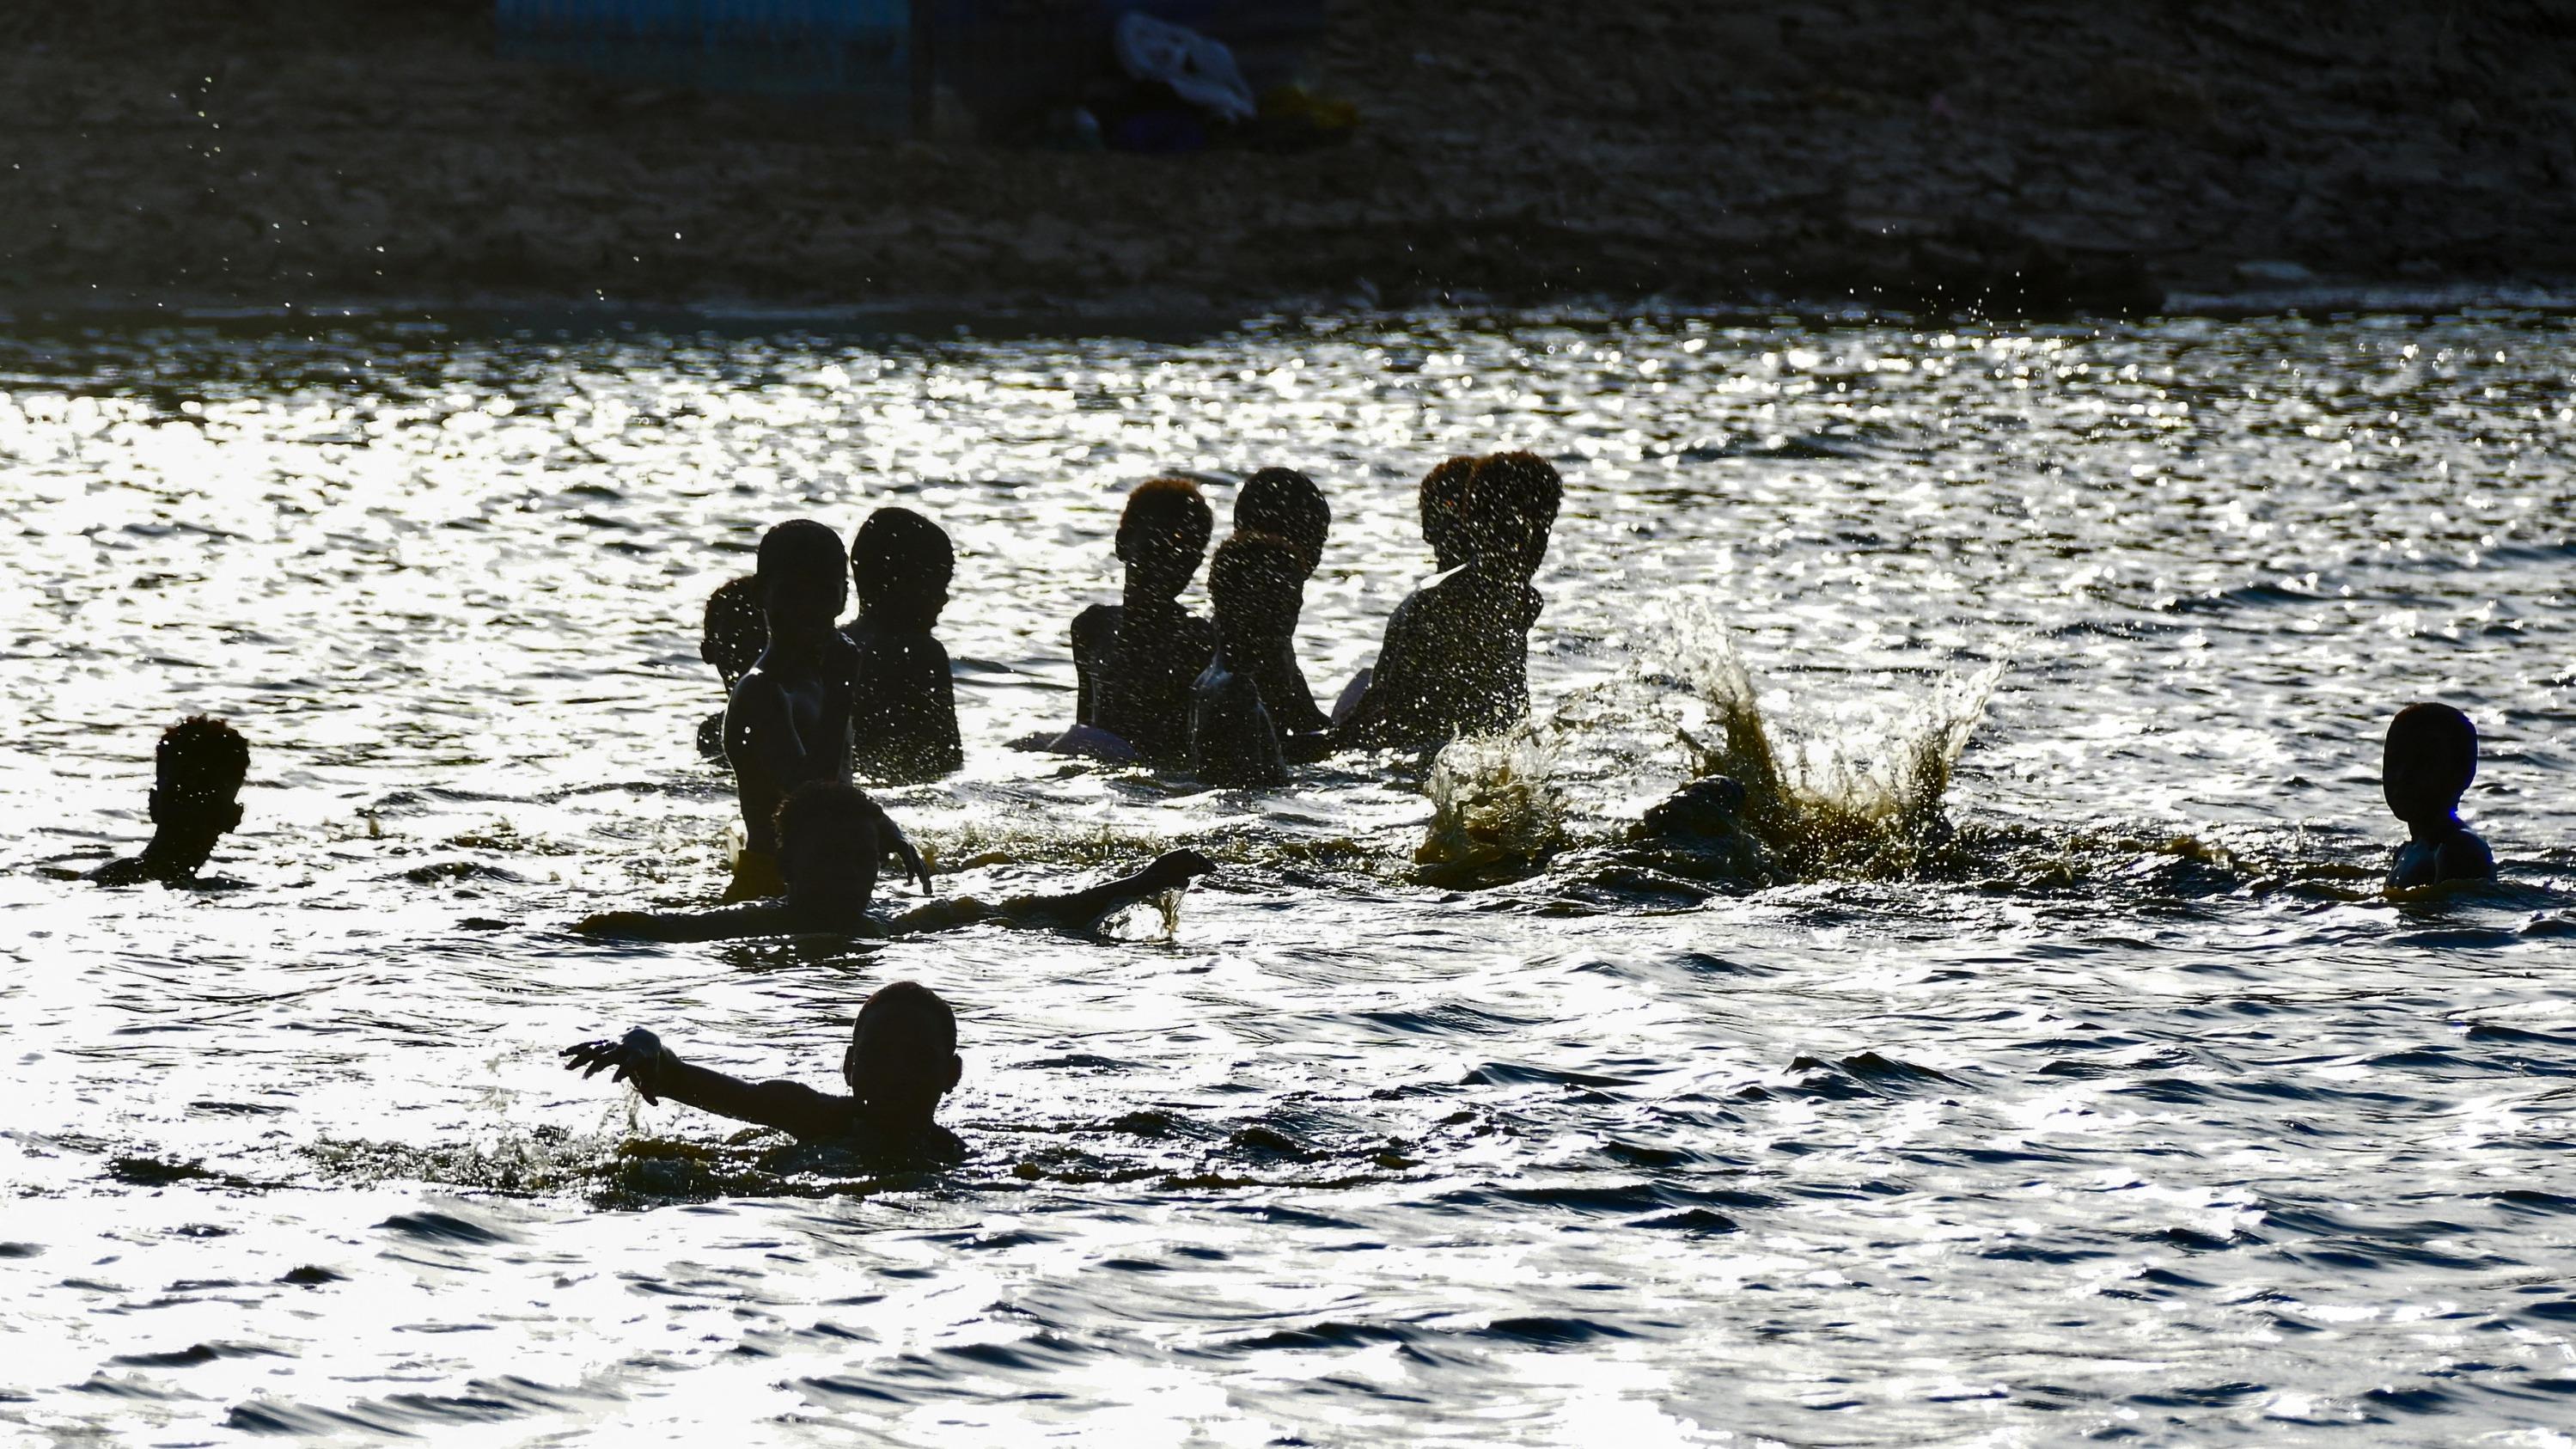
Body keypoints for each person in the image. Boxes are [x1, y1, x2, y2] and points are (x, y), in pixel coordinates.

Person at [578, 779, 1213, 942]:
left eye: (862, 858)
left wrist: (1146, 881)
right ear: (789, 864)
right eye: (831, 858)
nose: (850, 873)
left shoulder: (899, 925)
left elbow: (1036, 911)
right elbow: (655, 927)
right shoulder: (747, 925)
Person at [561, 980, 969, 1164]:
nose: (896, 1072)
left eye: (916, 1058)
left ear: (950, 1074)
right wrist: (643, 1045)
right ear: (849, 1067)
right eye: (879, 1055)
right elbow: (679, 1077)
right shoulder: (813, 1116)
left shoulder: (957, 1158)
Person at [1333, 451, 1562, 749]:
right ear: (1474, 523)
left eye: (1541, 529)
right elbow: (1394, 721)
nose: (1528, 545)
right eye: (1511, 529)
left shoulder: (1523, 603)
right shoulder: (1434, 602)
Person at [722, 521, 861, 895]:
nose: (807, 610)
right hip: (770, 881)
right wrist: (841, 692)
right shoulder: (761, 691)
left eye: (823, 595)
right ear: (760, 594)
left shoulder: (824, 678)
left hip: (826, 878)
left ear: (845, 597)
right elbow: (811, 801)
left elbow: (839, 796)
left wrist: (881, 828)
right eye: (792, 594)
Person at [1063, 477, 1218, 763]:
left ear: (1195, 565)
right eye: (1153, 549)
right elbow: (1085, 731)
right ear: (1123, 544)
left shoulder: (1194, 639)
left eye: (1182, 558)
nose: (1165, 567)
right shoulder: (1091, 627)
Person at [1189, 532, 1323, 787]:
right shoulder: (1238, 692)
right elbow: (1249, 796)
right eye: (1277, 602)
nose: (1289, 617)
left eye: (1295, 604)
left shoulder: (1208, 680)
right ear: (1231, 602)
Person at [843, 507, 963, 783]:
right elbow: (947, 758)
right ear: (902, 584)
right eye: (937, 586)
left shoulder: (837, 644)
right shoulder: (921, 652)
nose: (943, 600)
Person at [1229, 468, 1333, 736]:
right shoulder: (1258, 636)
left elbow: (1307, 721)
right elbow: (1278, 741)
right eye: (1316, 537)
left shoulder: (1272, 638)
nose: (1319, 553)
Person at [91, 715, 250, 886]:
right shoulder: (113, 879)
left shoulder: (110, 879)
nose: (190, 810)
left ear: (153, 805)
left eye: (204, 798)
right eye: (180, 796)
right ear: (234, 817)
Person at [2383, 702, 2496, 889]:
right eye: (2394, 761)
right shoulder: (2405, 852)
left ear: (2463, 773)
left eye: (2420, 764)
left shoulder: (2459, 849)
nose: (2401, 776)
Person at [694, 576, 766, 759]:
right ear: (707, 651)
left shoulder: (798, 715)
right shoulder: (711, 731)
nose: (747, 648)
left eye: (756, 634)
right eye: (735, 636)